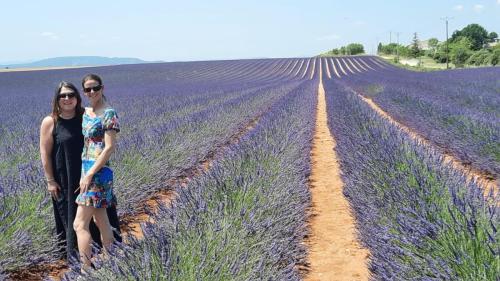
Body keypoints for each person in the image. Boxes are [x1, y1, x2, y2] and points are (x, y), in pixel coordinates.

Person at [40, 81, 122, 262]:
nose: (67, 99)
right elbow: (44, 153)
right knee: (78, 220)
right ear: (57, 99)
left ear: (77, 97)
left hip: (90, 175)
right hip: (67, 178)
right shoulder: (50, 121)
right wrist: (50, 180)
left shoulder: (88, 115)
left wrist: (92, 173)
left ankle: (91, 266)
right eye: (63, 96)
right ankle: (94, 261)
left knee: (87, 222)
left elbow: (106, 144)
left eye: (71, 95)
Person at [73, 74, 120, 270]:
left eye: (95, 88)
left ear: (102, 88)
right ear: (83, 92)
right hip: (88, 171)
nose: (92, 92)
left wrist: (90, 173)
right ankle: (112, 266)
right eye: (87, 89)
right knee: (101, 219)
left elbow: (109, 148)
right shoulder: (87, 112)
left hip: (98, 172)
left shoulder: (108, 113)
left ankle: (85, 270)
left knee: (79, 224)